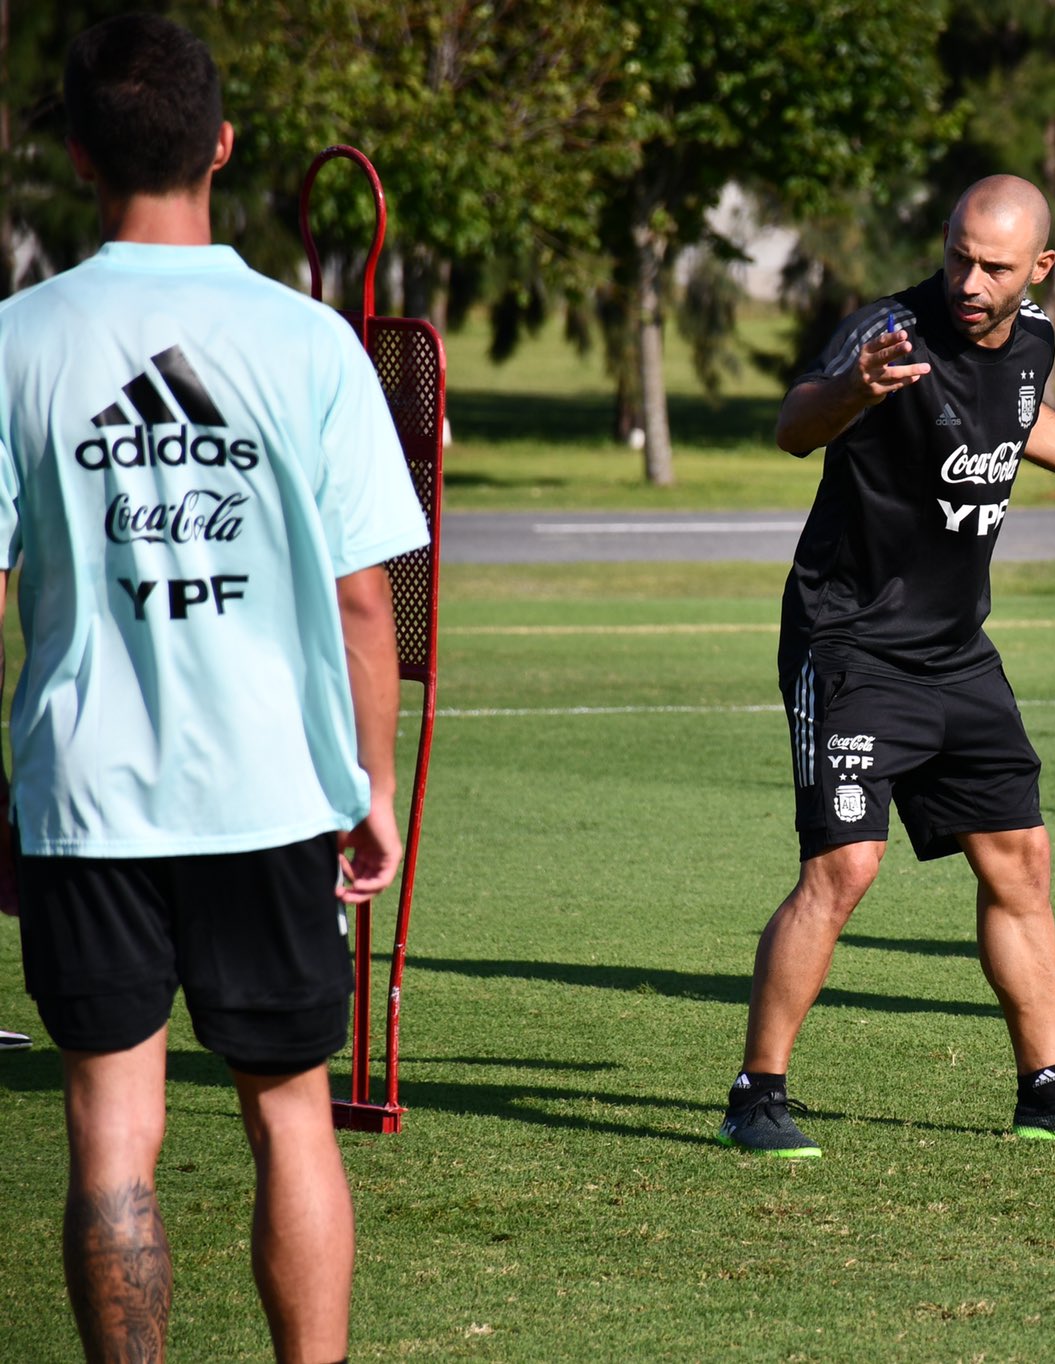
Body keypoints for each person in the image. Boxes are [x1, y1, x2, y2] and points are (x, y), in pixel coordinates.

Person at [0, 14, 430, 1361]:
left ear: (78, 154)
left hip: (86, 797)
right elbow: (365, 600)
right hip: (270, 791)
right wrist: (371, 785)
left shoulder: (17, 340)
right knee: (291, 1115)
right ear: (224, 144)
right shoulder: (309, 343)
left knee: (110, 1131)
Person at [719, 175, 1055, 1157]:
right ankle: (755, 1093)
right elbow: (794, 425)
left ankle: (1048, 1090)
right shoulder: (886, 332)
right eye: (958, 257)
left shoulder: (1033, 341)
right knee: (844, 866)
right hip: (849, 643)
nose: (970, 281)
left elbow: (1020, 421)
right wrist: (854, 390)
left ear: (1040, 269)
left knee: (1020, 858)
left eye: (994, 267)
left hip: (955, 650)